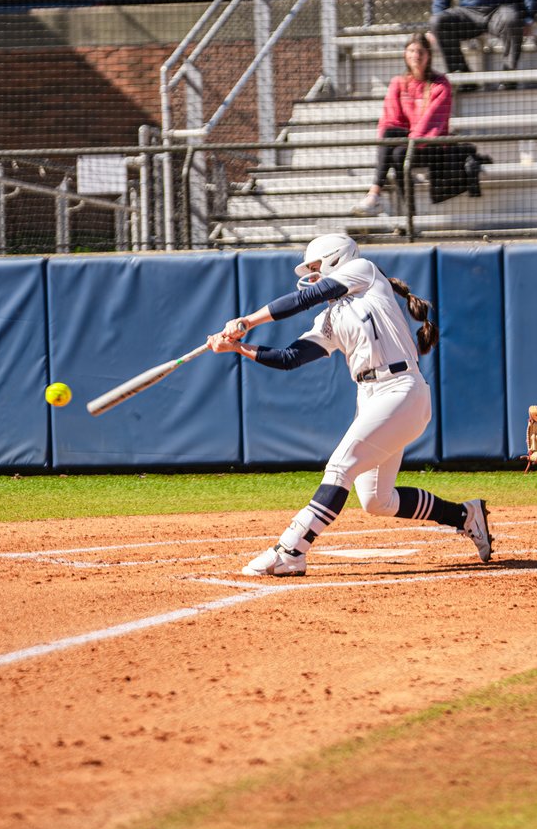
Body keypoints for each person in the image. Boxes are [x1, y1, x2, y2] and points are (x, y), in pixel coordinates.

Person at [206, 232, 493, 575]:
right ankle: (465, 515)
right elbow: (289, 358)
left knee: (339, 468)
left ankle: (291, 550)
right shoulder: (329, 319)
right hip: (370, 396)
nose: (311, 275)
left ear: (335, 257)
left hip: (401, 389)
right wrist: (238, 348)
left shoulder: (364, 271)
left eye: (315, 266)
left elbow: (312, 295)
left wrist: (248, 320)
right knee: (377, 501)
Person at [351, 32, 452, 217]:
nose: (416, 55)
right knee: (395, 148)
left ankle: (377, 195)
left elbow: (432, 121)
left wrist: (412, 141)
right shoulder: (399, 83)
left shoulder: (440, 84)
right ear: (405, 54)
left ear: (428, 55)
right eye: (411, 50)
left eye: (420, 51)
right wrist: (406, 141)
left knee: (398, 151)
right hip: (407, 144)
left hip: (432, 146)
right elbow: (391, 120)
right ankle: (399, 210)